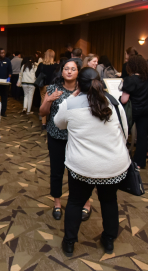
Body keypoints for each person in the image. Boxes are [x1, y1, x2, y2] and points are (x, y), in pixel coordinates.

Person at [54, 67, 131, 257]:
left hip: (83, 167)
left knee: (74, 202)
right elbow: (125, 132)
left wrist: (72, 97)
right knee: (109, 200)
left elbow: (58, 124)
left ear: (79, 84)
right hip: (113, 166)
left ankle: (70, 242)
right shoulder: (113, 102)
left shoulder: (69, 104)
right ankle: (109, 240)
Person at [39, 59, 79, 221]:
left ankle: (83, 201)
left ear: (78, 72)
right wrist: (49, 100)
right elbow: (42, 113)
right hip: (56, 137)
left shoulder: (83, 90)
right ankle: (57, 202)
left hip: (77, 138)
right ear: (62, 71)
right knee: (57, 171)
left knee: (78, 172)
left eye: (73, 69)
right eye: (66, 68)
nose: (69, 71)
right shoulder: (53, 88)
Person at [120, 55, 148, 169]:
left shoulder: (130, 80)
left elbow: (124, 100)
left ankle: (121, 159)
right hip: (146, 109)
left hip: (133, 110)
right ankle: (140, 162)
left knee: (123, 133)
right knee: (142, 136)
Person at [35, 49, 58, 129]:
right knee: (52, 104)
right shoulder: (56, 65)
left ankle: (44, 123)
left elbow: (36, 74)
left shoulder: (41, 65)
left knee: (43, 103)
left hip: (43, 86)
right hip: (53, 86)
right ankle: (51, 121)